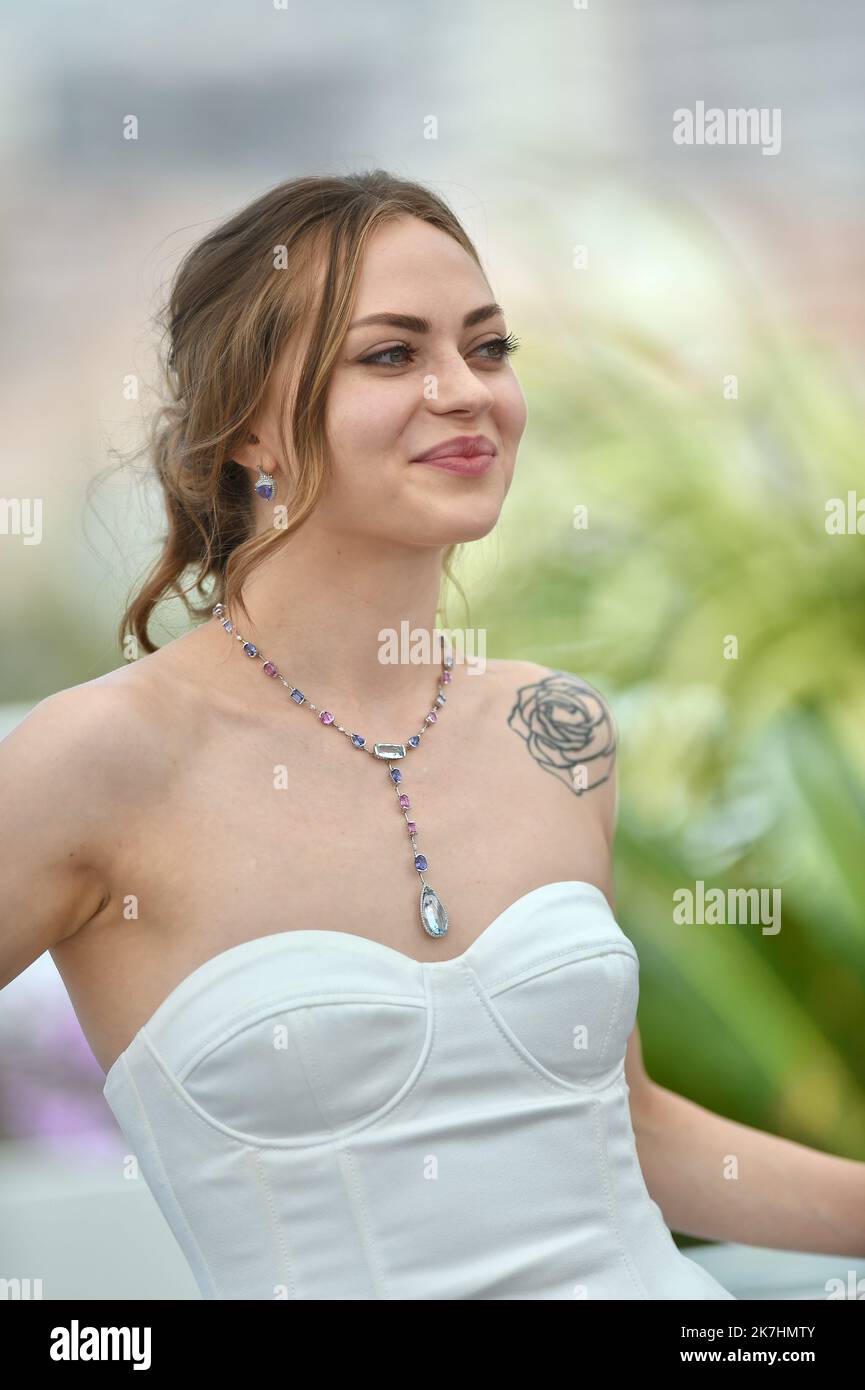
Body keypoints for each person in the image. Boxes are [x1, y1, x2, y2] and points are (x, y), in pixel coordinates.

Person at [2, 170, 863, 1301]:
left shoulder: (551, 727)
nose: (464, 391)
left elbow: (626, 1131)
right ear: (246, 421)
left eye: (490, 347)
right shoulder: (96, 759)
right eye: (392, 355)